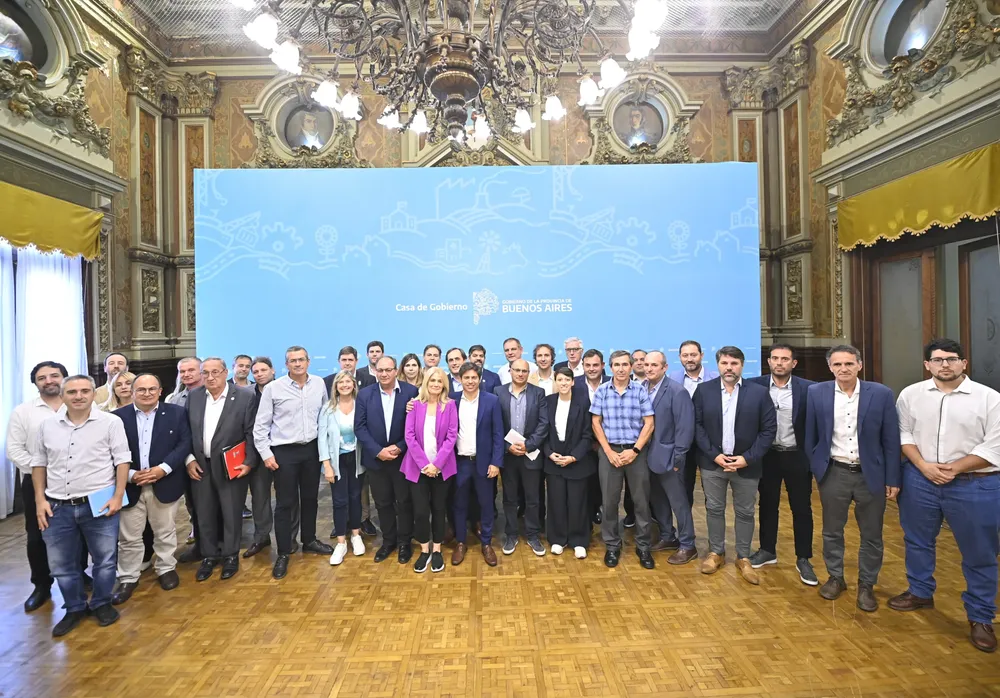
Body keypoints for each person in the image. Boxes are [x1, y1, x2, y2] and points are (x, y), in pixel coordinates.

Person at [889, 338, 1000, 652]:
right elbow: (903, 433)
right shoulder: (911, 395)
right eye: (937, 360)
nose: (945, 365)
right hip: (920, 479)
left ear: (964, 363)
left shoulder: (990, 399)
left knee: (980, 553)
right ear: (927, 365)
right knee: (917, 540)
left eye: (952, 359)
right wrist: (923, 466)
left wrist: (952, 468)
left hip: (975, 483)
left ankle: (980, 617)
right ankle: (920, 591)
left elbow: (994, 446)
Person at [32, 375, 130, 637]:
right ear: (62, 395)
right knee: (61, 565)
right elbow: (38, 464)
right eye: (72, 392)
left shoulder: (111, 422)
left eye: (85, 391)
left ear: (92, 394)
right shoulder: (46, 426)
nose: (79, 396)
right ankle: (74, 607)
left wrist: (118, 495)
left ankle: (101, 603)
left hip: (98, 503)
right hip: (57, 505)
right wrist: (40, 500)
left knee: (105, 561)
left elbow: (122, 461)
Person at [805, 344, 901, 612]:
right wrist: (817, 468)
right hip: (834, 472)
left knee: (871, 534)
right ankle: (836, 577)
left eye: (848, 363)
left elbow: (891, 440)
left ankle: (867, 584)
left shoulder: (881, 394)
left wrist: (893, 478)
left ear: (859, 365)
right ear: (830, 367)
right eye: (837, 364)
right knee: (832, 531)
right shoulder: (816, 393)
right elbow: (810, 435)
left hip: (871, 475)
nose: (843, 369)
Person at [6, 361, 87, 613]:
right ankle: (41, 584)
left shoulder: (79, 404)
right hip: (38, 483)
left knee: (81, 530)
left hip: (81, 480)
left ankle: (80, 575)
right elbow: (14, 449)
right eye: (42, 377)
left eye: (55, 375)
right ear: (35, 383)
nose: (49, 380)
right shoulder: (24, 412)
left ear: (64, 378)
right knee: (37, 534)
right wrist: (42, 471)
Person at [693, 346, 776, 585]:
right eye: (724, 363)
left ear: (742, 365)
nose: (729, 368)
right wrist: (714, 455)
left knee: (745, 512)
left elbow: (768, 430)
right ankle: (715, 553)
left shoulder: (759, 393)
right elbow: (697, 426)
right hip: (713, 464)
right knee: (715, 509)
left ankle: (743, 556)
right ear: (718, 365)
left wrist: (747, 458)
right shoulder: (703, 391)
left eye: (734, 363)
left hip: (746, 465)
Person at [254, 346, 334, 579]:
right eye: (292, 361)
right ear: (286, 364)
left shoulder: (319, 384)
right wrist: (266, 454)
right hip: (283, 452)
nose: (297, 364)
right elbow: (261, 426)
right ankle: (284, 551)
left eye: (301, 360)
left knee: (310, 499)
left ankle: (309, 540)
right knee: (285, 503)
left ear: (309, 362)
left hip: (311, 450)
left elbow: (325, 416)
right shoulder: (273, 388)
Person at [110, 374, 191, 604]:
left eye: (152, 389)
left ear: (160, 390)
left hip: (164, 482)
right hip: (130, 484)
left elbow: (184, 443)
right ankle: (128, 577)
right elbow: (110, 451)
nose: (147, 393)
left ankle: (166, 568)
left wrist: (163, 469)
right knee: (129, 536)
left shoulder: (176, 413)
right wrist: (132, 475)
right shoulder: (116, 418)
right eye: (142, 389)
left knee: (165, 531)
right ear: (132, 391)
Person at [747, 344, 817, 585]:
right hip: (767, 456)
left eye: (785, 359)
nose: (779, 363)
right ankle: (767, 550)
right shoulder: (754, 386)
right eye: (775, 358)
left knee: (801, 508)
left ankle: (804, 558)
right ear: (768, 361)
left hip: (797, 455)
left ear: (793, 363)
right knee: (767, 504)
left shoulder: (809, 389)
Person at [186, 358, 258, 582]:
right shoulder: (195, 396)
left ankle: (230, 556)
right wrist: (188, 459)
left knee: (231, 512)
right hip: (200, 466)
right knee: (204, 513)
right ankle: (209, 556)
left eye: (215, 372)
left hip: (231, 465)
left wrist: (248, 462)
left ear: (226, 372)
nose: (210, 377)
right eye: (205, 373)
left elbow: (251, 432)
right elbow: (186, 432)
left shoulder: (245, 396)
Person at [591, 350, 655, 569]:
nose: (620, 368)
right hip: (609, 453)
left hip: (636, 453)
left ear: (631, 367)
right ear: (610, 367)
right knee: (609, 503)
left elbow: (649, 423)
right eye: (616, 365)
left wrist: (635, 450)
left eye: (624, 364)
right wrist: (608, 452)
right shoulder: (601, 391)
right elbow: (596, 423)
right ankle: (612, 545)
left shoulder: (639, 390)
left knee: (640, 502)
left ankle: (643, 546)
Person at [355, 356, 420, 564]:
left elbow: (415, 427)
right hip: (377, 460)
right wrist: (378, 451)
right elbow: (360, 427)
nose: (384, 374)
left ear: (395, 371)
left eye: (388, 370)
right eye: (380, 370)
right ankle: (388, 541)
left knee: (404, 502)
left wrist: (400, 447)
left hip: (403, 458)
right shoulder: (365, 395)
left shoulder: (411, 393)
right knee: (382, 503)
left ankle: (404, 543)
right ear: (375, 371)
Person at [642, 351, 698, 565]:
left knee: (679, 503)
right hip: (648, 457)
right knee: (658, 500)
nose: (649, 368)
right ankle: (668, 536)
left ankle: (688, 544)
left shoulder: (677, 391)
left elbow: (685, 428)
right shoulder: (641, 388)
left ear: (664, 368)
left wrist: (678, 459)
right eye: (646, 364)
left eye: (654, 365)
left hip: (670, 458)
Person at [402, 367, 458, 573]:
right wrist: (425, 464)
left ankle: (436, 550)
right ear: (426, 382)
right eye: (432, 380)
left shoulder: (450, 405)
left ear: (444, 384)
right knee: (420, 511)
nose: (435, 384)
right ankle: (424, 550)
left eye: (439, 381)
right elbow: (409, 436)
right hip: (418, 468)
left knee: (439, 509)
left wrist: (436, 465)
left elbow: (452, 436)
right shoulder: (415, 405)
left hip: (442, 468)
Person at [244, 356, 301, 558]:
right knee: (260, 497)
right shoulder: (247, 394)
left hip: (282, 452)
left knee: (288, 497)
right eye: (256, 371)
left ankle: (291, 538)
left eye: (263, 370)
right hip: (258, 455)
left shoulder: (284, 389)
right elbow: (249, 427)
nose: (259, 374)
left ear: (273, 371)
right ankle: (261, 536)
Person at [451, 361, 504, 566]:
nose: (470, 381)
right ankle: (461, 543)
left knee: (486, 505)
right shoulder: (452, 400)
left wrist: (496, 463)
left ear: (480, 379)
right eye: (466, 378)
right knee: (459, 504)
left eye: (474, 377)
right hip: (459, 463)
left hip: (484, 463)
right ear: (460, 379)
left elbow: (498, 434)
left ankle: (487, 543)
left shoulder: (491, 401)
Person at [495, 359, 550, 556]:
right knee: (509, 498)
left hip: (531, 454)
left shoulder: (538, 393)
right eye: (516, 370)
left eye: (524, 371)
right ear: (509, 371)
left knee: (533, 498)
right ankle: (511, 534)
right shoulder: (498, 392)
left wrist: (529, 444)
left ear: (529, 373)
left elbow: (544, 423)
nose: (520, 374)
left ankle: (533, 535)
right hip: (508, 456)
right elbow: (496, 424)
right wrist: (508, 447)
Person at [543, 367, 594, 558]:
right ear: (555, 382)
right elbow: (544, 432)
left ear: (573, 382)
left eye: (567, 380)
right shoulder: (548, 402)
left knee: (577, 502)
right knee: (556, 501)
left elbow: (588, 435)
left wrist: (573, 456)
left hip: (577, 462)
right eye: (560, 380)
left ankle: (579, 540)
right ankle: (557, 539)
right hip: (554, 461)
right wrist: (549, 453)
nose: (563, 383)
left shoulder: (583, 402)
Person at [318, 371, 365, 566]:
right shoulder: (328, 408)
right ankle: (341, 542)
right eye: (341, 382)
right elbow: (322, 438)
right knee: (339, 501)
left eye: (348, 381)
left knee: (355, 498)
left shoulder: (361, 406)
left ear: (354, 384)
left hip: (357, 459)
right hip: (336, 461)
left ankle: (355, 535)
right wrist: (326, 465)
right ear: (335, 386)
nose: (345, 385)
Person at [670, 340, 719, 506]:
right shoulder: (673, 378)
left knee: (712, 492)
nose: (689, 359)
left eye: (693, 355)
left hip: (709, 442)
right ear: (680, 357)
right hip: (683, 442)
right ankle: (686, 530)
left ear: (701, 356)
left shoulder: (716, 378)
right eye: (685, 355)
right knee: (684, 489)